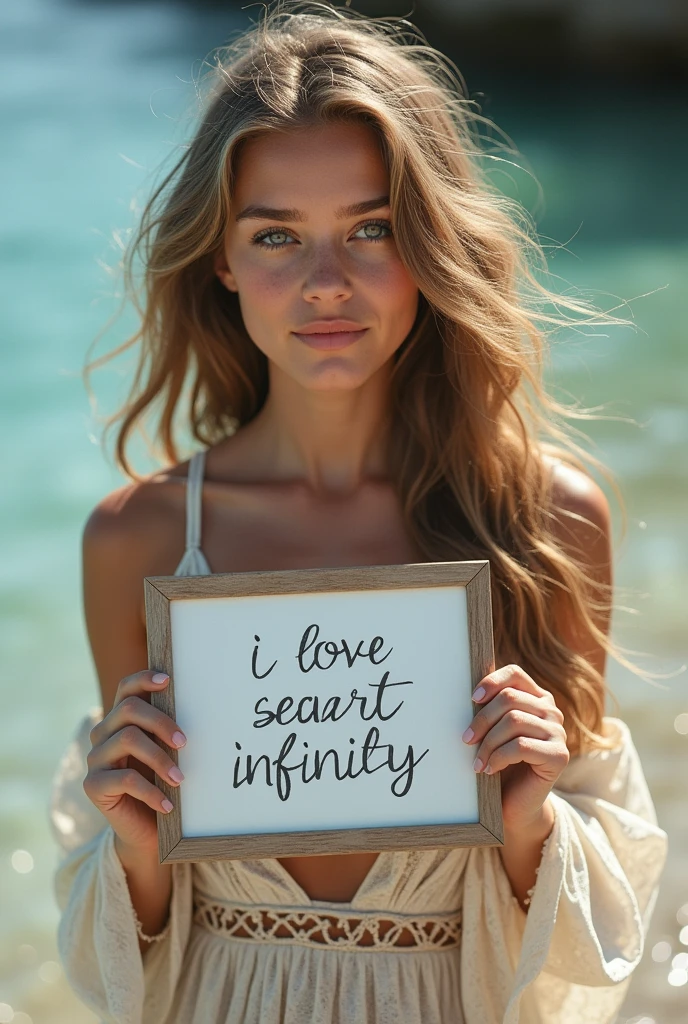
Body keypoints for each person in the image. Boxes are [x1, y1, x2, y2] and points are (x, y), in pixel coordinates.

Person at [49, 3, 668, 1023]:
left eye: (369, 228)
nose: (325, 283)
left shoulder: (547, 523)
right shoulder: (141, 540)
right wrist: (131, 837)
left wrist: (528, 826)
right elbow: (137, 965)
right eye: (277, 236)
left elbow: (589, 943)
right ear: (220, 258)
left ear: (426, 243)